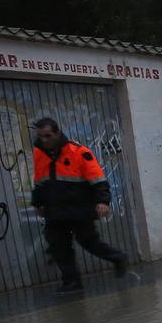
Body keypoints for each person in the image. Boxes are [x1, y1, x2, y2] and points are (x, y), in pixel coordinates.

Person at [31, 117, 129, 293]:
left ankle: (118, 258)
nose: (44, 140)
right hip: (55, 210)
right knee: (58, 244)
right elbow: (39, 181)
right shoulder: (39, 153)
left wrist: (102, 201)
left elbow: (98, 179)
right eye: (41, 136)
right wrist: (38, 203)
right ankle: (71, 282)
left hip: (79, 208)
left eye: (47, 136)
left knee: (88, 241)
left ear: (57, 133)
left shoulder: (78, 152)